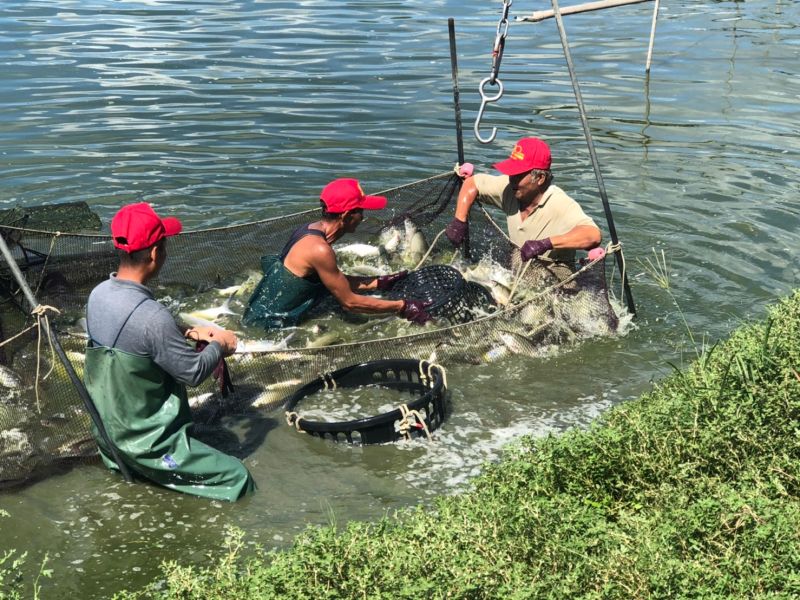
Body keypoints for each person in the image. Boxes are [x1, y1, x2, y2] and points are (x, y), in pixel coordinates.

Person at [84, 202, 256, 502]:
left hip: (107, 435)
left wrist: (188, 332)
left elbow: (136, 333)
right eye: (164, 247)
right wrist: (221, 345)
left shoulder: (99, 294)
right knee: (238, 478)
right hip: (147, 445)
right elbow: (193, 373)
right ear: (154, 254)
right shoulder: (152, 317)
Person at [243, 178, 431, 329]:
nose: (363, 217)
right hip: (267, 326)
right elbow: (349, 303)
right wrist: (403, 306)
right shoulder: (320, 250)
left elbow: (330, 280)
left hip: (259, 311)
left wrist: (379, 282)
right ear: (347, 216)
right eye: (361, 211)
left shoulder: (308, 229)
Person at [445, 137, 601, 267]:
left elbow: (593, 235)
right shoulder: (510, 188)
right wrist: (459, 220)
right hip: (515, 277)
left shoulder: (560, 204)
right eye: (511, 172)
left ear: (540, 178)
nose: (512, 179)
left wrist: (546, 244)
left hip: (553, 288)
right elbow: (472, 183)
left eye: (518, 175)